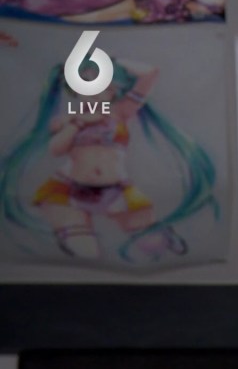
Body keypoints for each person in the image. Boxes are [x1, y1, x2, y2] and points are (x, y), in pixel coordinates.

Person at [0, 58, 216, 262]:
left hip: (116, 190)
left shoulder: (120, 112)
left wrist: (112, 61)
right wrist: (78, 123)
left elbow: (150, 74)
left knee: (153, 245)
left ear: (112, 91)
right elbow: (56, 150)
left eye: (101, 86)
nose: (93, 92)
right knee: (85, 252)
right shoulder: (66, 118)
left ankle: (161, 235)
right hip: (68, 189)